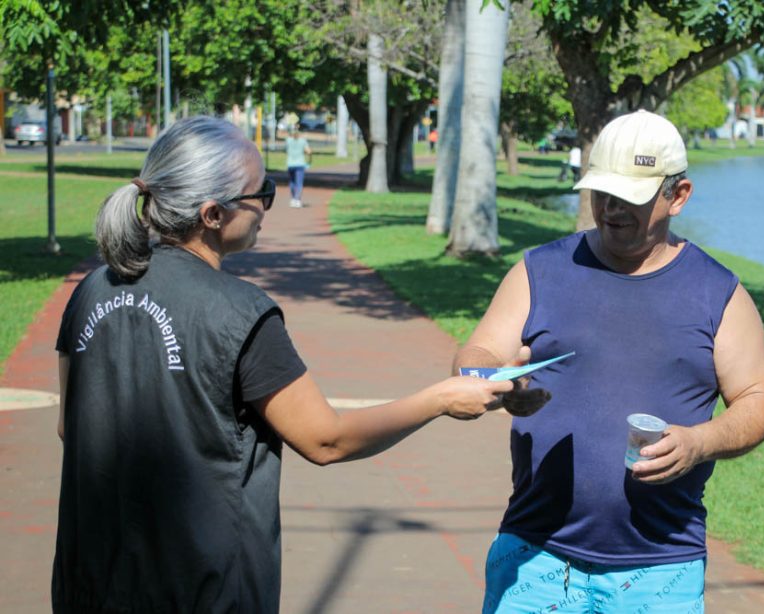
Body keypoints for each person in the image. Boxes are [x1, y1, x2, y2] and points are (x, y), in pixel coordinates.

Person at [53, 116, 512, 613]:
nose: (267, 205)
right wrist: (441, 398)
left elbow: (69, 426)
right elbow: (325, 439)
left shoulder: (91, 290)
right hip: (203, 589)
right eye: (261, 192)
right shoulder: (240, 312)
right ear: (212, 213)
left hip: (92, 581)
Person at [454, 110, 764, 613]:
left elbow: (761, 403)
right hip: (534, 554)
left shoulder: (719, 293)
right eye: (601, 192)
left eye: (631, 196)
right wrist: (487, 381)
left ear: (678, 196)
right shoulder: (539, 270)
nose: (611, 208)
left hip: (661, 568)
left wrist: (700, 442)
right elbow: (479, 353)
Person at [285, 124, 312, 207]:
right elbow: (309, 151)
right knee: (299, 183)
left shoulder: (288, 140)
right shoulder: (303, 141)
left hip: (290, 164)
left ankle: (293, 199)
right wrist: (310, 160)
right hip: (300, 164)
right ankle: (297, 199)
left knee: (292, 182)